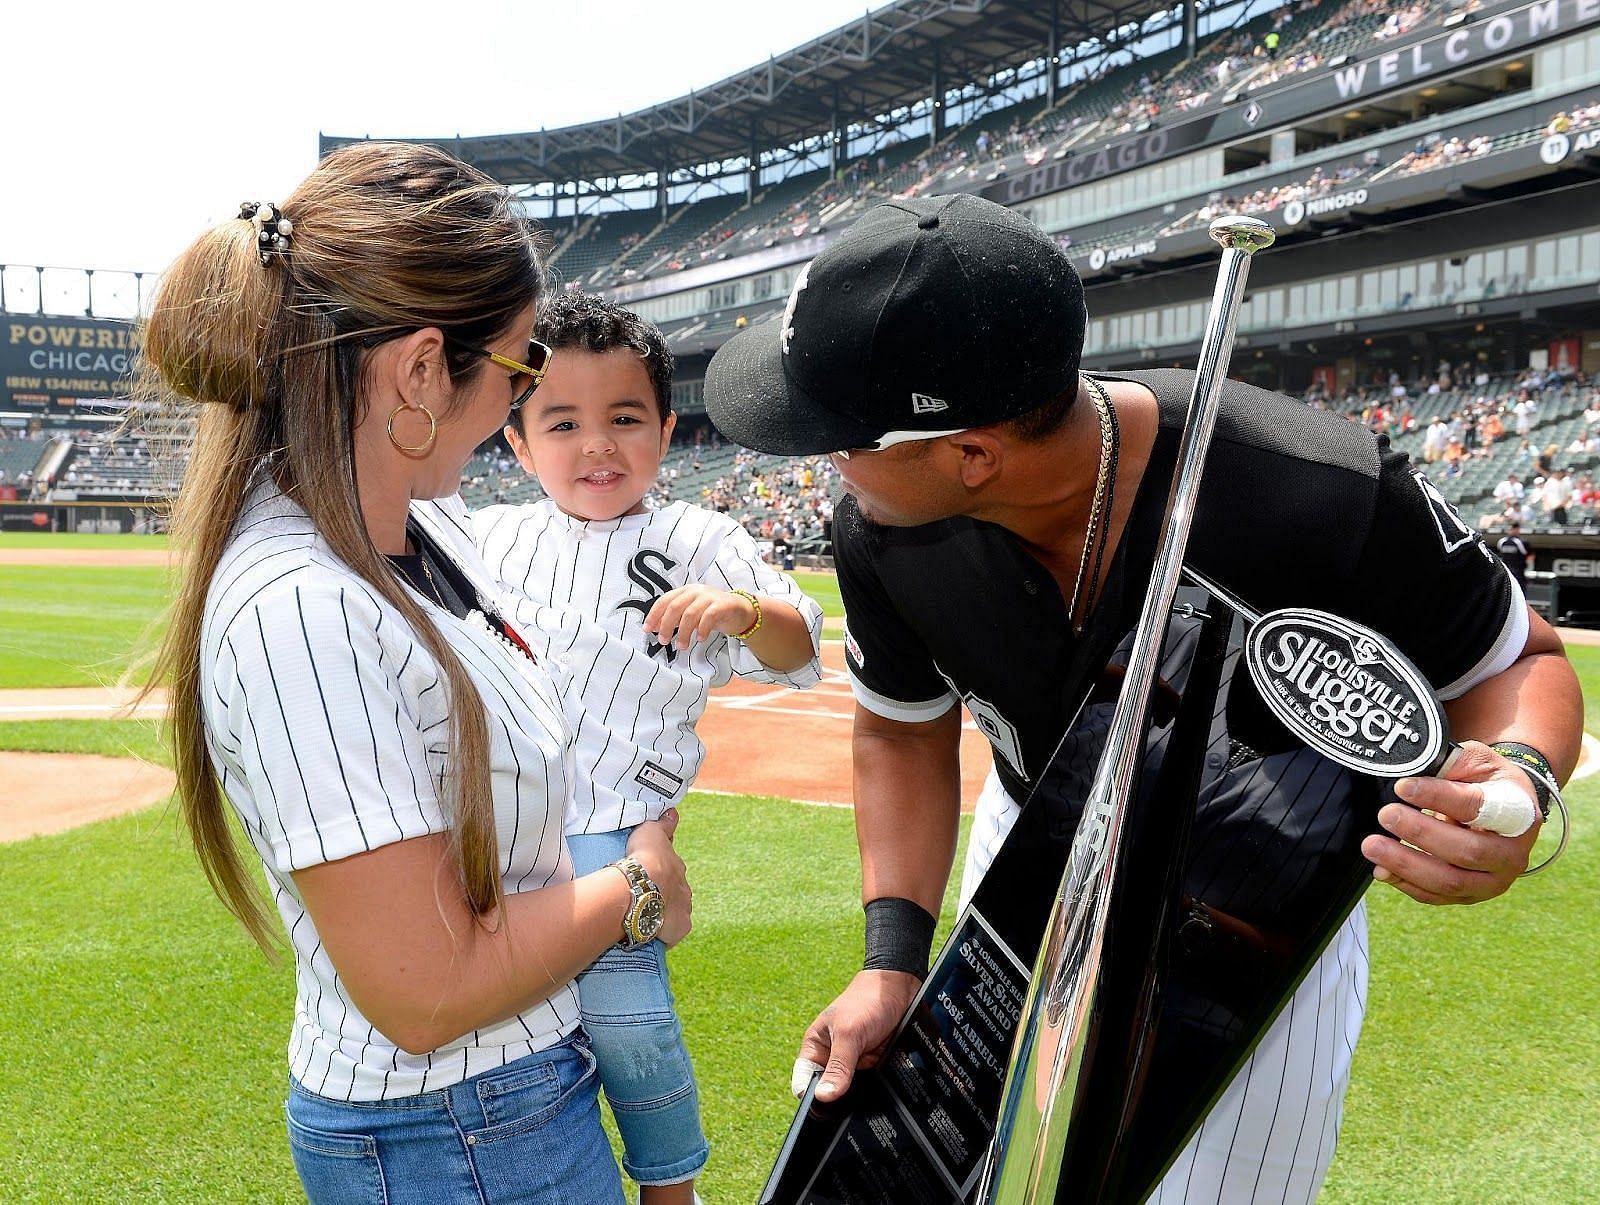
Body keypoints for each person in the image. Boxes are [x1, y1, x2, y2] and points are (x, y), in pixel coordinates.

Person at [702, 193, 1582, 1202]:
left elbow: (1515, 662)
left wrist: (1515, 788)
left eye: (844, 438)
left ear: (971, 452)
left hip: (1245, 895)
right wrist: (893, 959)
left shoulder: (1313, 486)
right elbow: (898, 732)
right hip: (1026, 842)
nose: (827, 467)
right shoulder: (880, 530)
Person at [134, 143, 691, 1205]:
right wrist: (634, 888)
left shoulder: (418, 526)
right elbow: (424, 988)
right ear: (422, 368)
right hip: (454, 1128)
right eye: (523, 369)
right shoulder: (303, 607)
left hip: (497, 1102)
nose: (520, 401)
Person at [463, 291, 825, 1205]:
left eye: (625, 418)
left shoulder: (700, 537)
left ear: (665, 431)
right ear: (517, 443)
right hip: (497, 830)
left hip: (613, 830)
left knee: (632, 1025)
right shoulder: (491, 535)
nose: (597, 445)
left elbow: (802, 644)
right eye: (562, 421)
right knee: (510, 1029)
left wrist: (745, 612)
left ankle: (672, 1187)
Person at [1496, 522, 1533, 591]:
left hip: (1517, 572)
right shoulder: (1502, 542)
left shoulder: (1521, 542)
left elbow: (1530, 556)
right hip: (1508, 572)